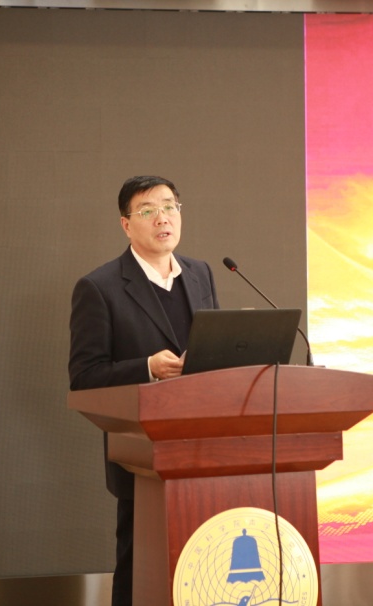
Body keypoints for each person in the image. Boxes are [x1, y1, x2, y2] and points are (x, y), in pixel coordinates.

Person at [69, 175, 219, 606]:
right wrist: (147, 368)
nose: (162, 218)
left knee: (205, 568)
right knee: (141, 571)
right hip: (143, 456)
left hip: (207, 450)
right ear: (126, 225)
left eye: (169, 207)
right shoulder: (99, 288)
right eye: (148, 211)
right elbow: (84, 377)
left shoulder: (201, 273)